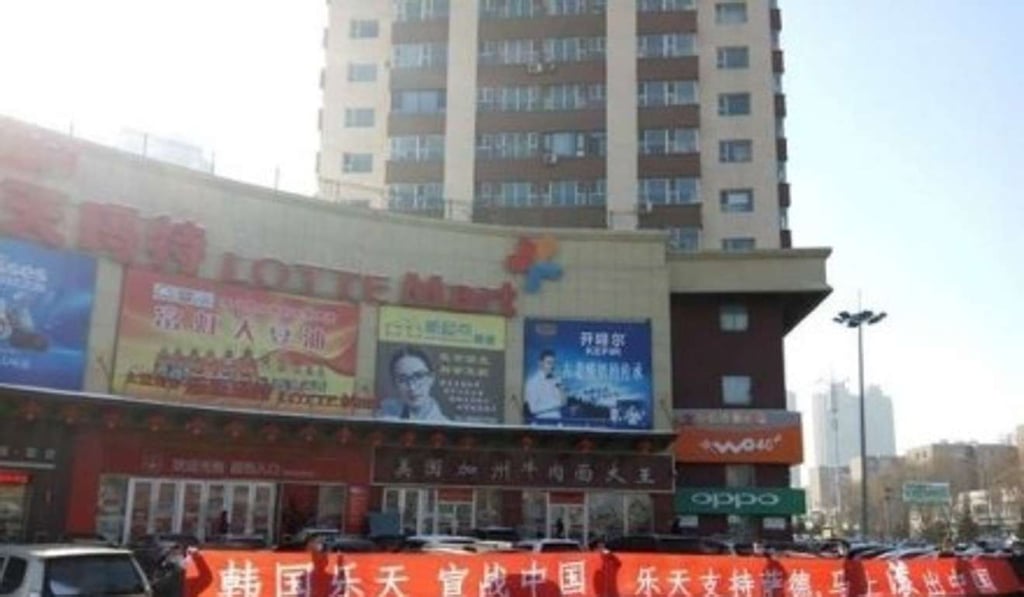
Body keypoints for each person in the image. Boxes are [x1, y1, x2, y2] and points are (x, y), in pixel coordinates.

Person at [376, 346, 449, 422]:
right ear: (394, 384)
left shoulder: (445, 424)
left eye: (419, 376)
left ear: (431, 378)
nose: (412, 387)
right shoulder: (385, 414)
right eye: (402, 380)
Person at [524, 349, 565, 421]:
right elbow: (533, 409)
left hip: (558, 422)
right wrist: (555, 404)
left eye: (553, 363)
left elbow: (563, 402)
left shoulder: (556, 380)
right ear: (540, 364)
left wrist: (561, 388)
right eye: (549, 363)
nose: (552, 366)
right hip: (542, 423)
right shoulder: (533, 382)